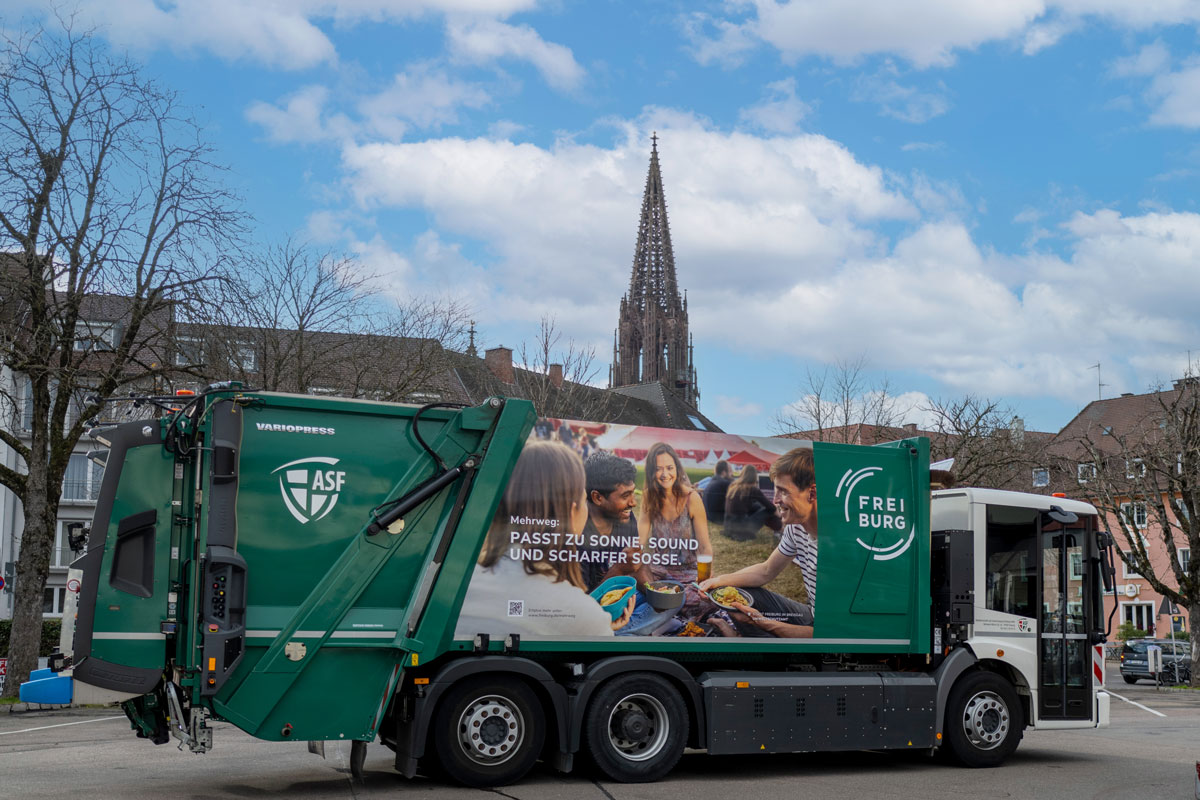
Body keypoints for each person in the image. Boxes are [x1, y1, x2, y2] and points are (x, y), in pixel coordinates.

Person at [455, 440, 635, 639]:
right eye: (583, 500)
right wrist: (600, 624)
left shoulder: (454, 586)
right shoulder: (582, 615)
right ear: (571, 511)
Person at [699, 447, 817, 638]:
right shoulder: (796, 528)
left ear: (812, 493)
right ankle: (744, 639)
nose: (776, 499)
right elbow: (766, 570)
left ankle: (763, 654)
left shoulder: (839, 542)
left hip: (826, 634)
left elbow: (831, 635)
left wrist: (765, 624)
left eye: (783, 491)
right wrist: (718, 581)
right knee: (736, 590)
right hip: (813, 616)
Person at [638, 442, 712, 615]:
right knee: (635, 591)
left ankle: (664, 609)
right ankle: (666, 608)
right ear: (651, 472)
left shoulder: (692, 498)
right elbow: (639, 541)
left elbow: (704, 546)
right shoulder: (649, 497)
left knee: (704, 601)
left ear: (677, 469)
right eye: (658, 469)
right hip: (657, 571)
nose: (665, 474)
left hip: (688, 573)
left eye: (670, 467)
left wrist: (704, 580)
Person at [579, 452, 647, 591]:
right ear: (598, 497)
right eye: (625, 495)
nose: (633, 502)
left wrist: (655, 593)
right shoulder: (578, 530)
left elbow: (637, 564)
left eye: (633, 492)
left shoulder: (624, 517)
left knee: (673, 602)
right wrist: (619, 569)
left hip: (620, 596)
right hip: (591, 606)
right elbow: (581, 605)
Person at [721, 465, 782, 541]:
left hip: (728, 527)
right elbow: (770, 507)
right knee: (768, 510)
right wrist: (778, 514)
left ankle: (778, 528)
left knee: (759, 506)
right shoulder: (752, 489)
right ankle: (779, 529)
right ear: (754, 476)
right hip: (742, 530)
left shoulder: (733, 486)